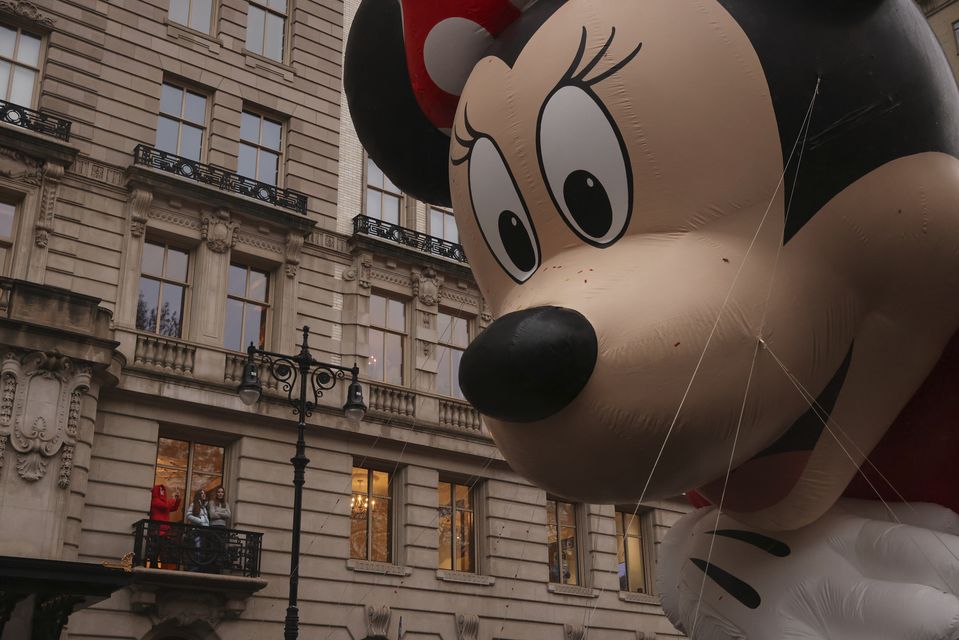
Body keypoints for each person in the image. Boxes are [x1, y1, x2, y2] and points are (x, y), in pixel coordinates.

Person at [147, 484, 180, 568]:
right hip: (157, 531)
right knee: (155, 551)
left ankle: (156, 567)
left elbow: (174, 508)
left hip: (163, 532)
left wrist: (177, 499)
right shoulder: (155, 500)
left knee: (160, 551)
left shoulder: (163, 501)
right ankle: (153, 568)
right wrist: (173, 498)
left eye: (163, 490)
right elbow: (166, 506)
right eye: (161, 490)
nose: (162, 491)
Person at [208, 486, 232, 572]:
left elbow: (229, 515)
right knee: (214, 546)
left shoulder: (226, 504)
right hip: (214, 527)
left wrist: (218, 511)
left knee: (221, 546)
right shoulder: (211, 502)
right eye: (218, 492)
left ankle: (219, 566)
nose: (220, 493)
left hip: (222, 528)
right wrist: (223, 512)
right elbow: (212, 515)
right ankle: (212, 567)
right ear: (216, 493)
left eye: (222, 492)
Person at [185, 488, 210, 571]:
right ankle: (193, 568)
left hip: (204, 532)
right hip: (197, 531)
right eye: (201, 493)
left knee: (202, 550)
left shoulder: (204, 506)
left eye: (204, 493)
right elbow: (188, 515)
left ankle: (198, 568)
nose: (204, 495)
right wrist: (200, 521)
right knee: (197, 549)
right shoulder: (194, 504)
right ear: (198, 495)